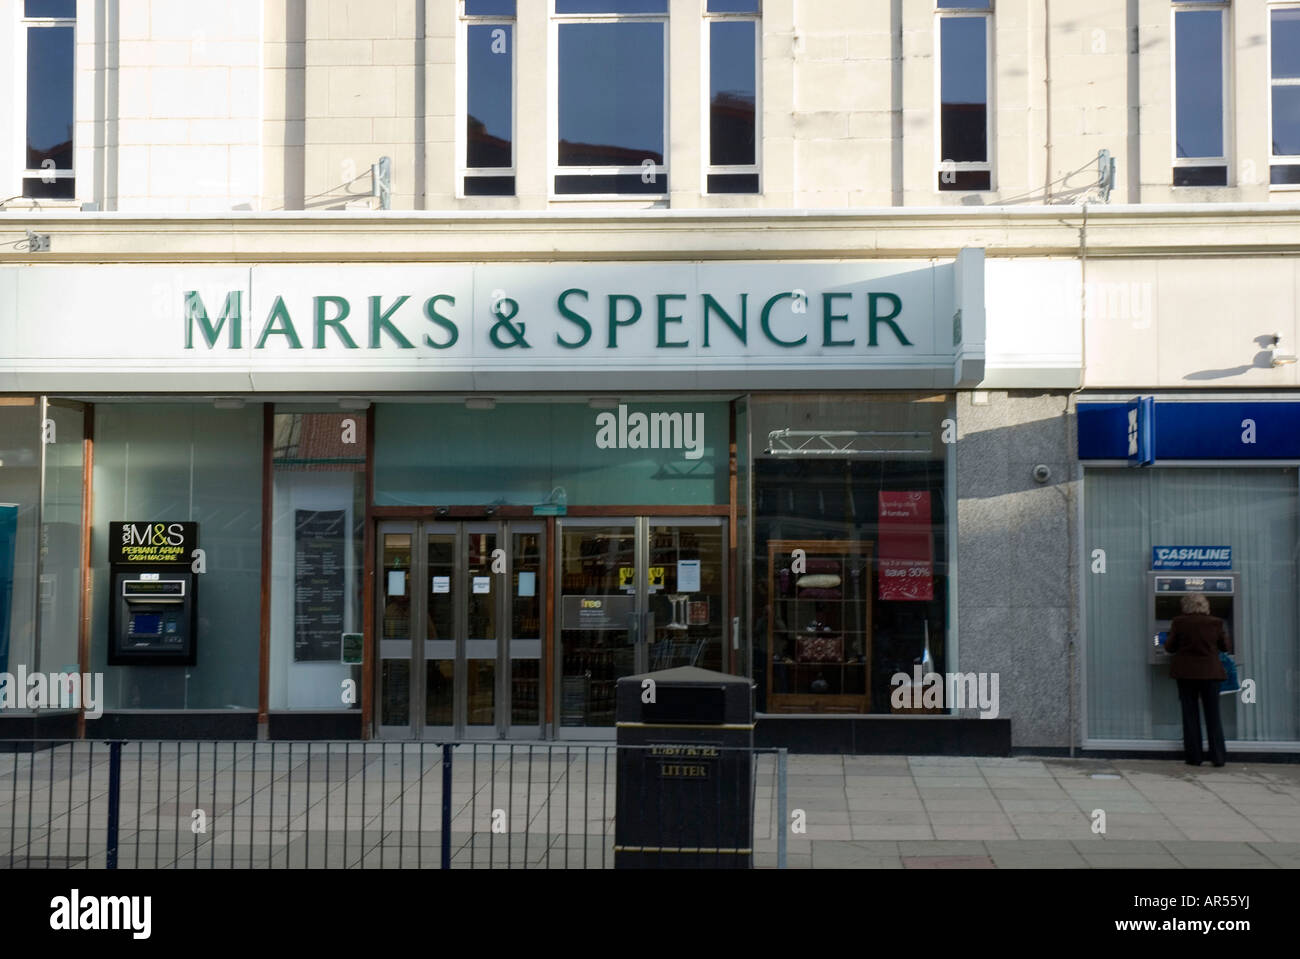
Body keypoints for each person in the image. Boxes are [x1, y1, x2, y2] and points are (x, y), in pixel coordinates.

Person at [1164, 593, 1232, 767]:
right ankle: (1218, 757)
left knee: (1190, 715)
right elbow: (1225, 647)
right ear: (1205, 606)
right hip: (1211, 674)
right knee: (1213, 715)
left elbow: (1170, 647)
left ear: (1185, 606)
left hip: (1186, 674)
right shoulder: (1216, 622)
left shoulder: (1179, 622)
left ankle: (1194, 757)